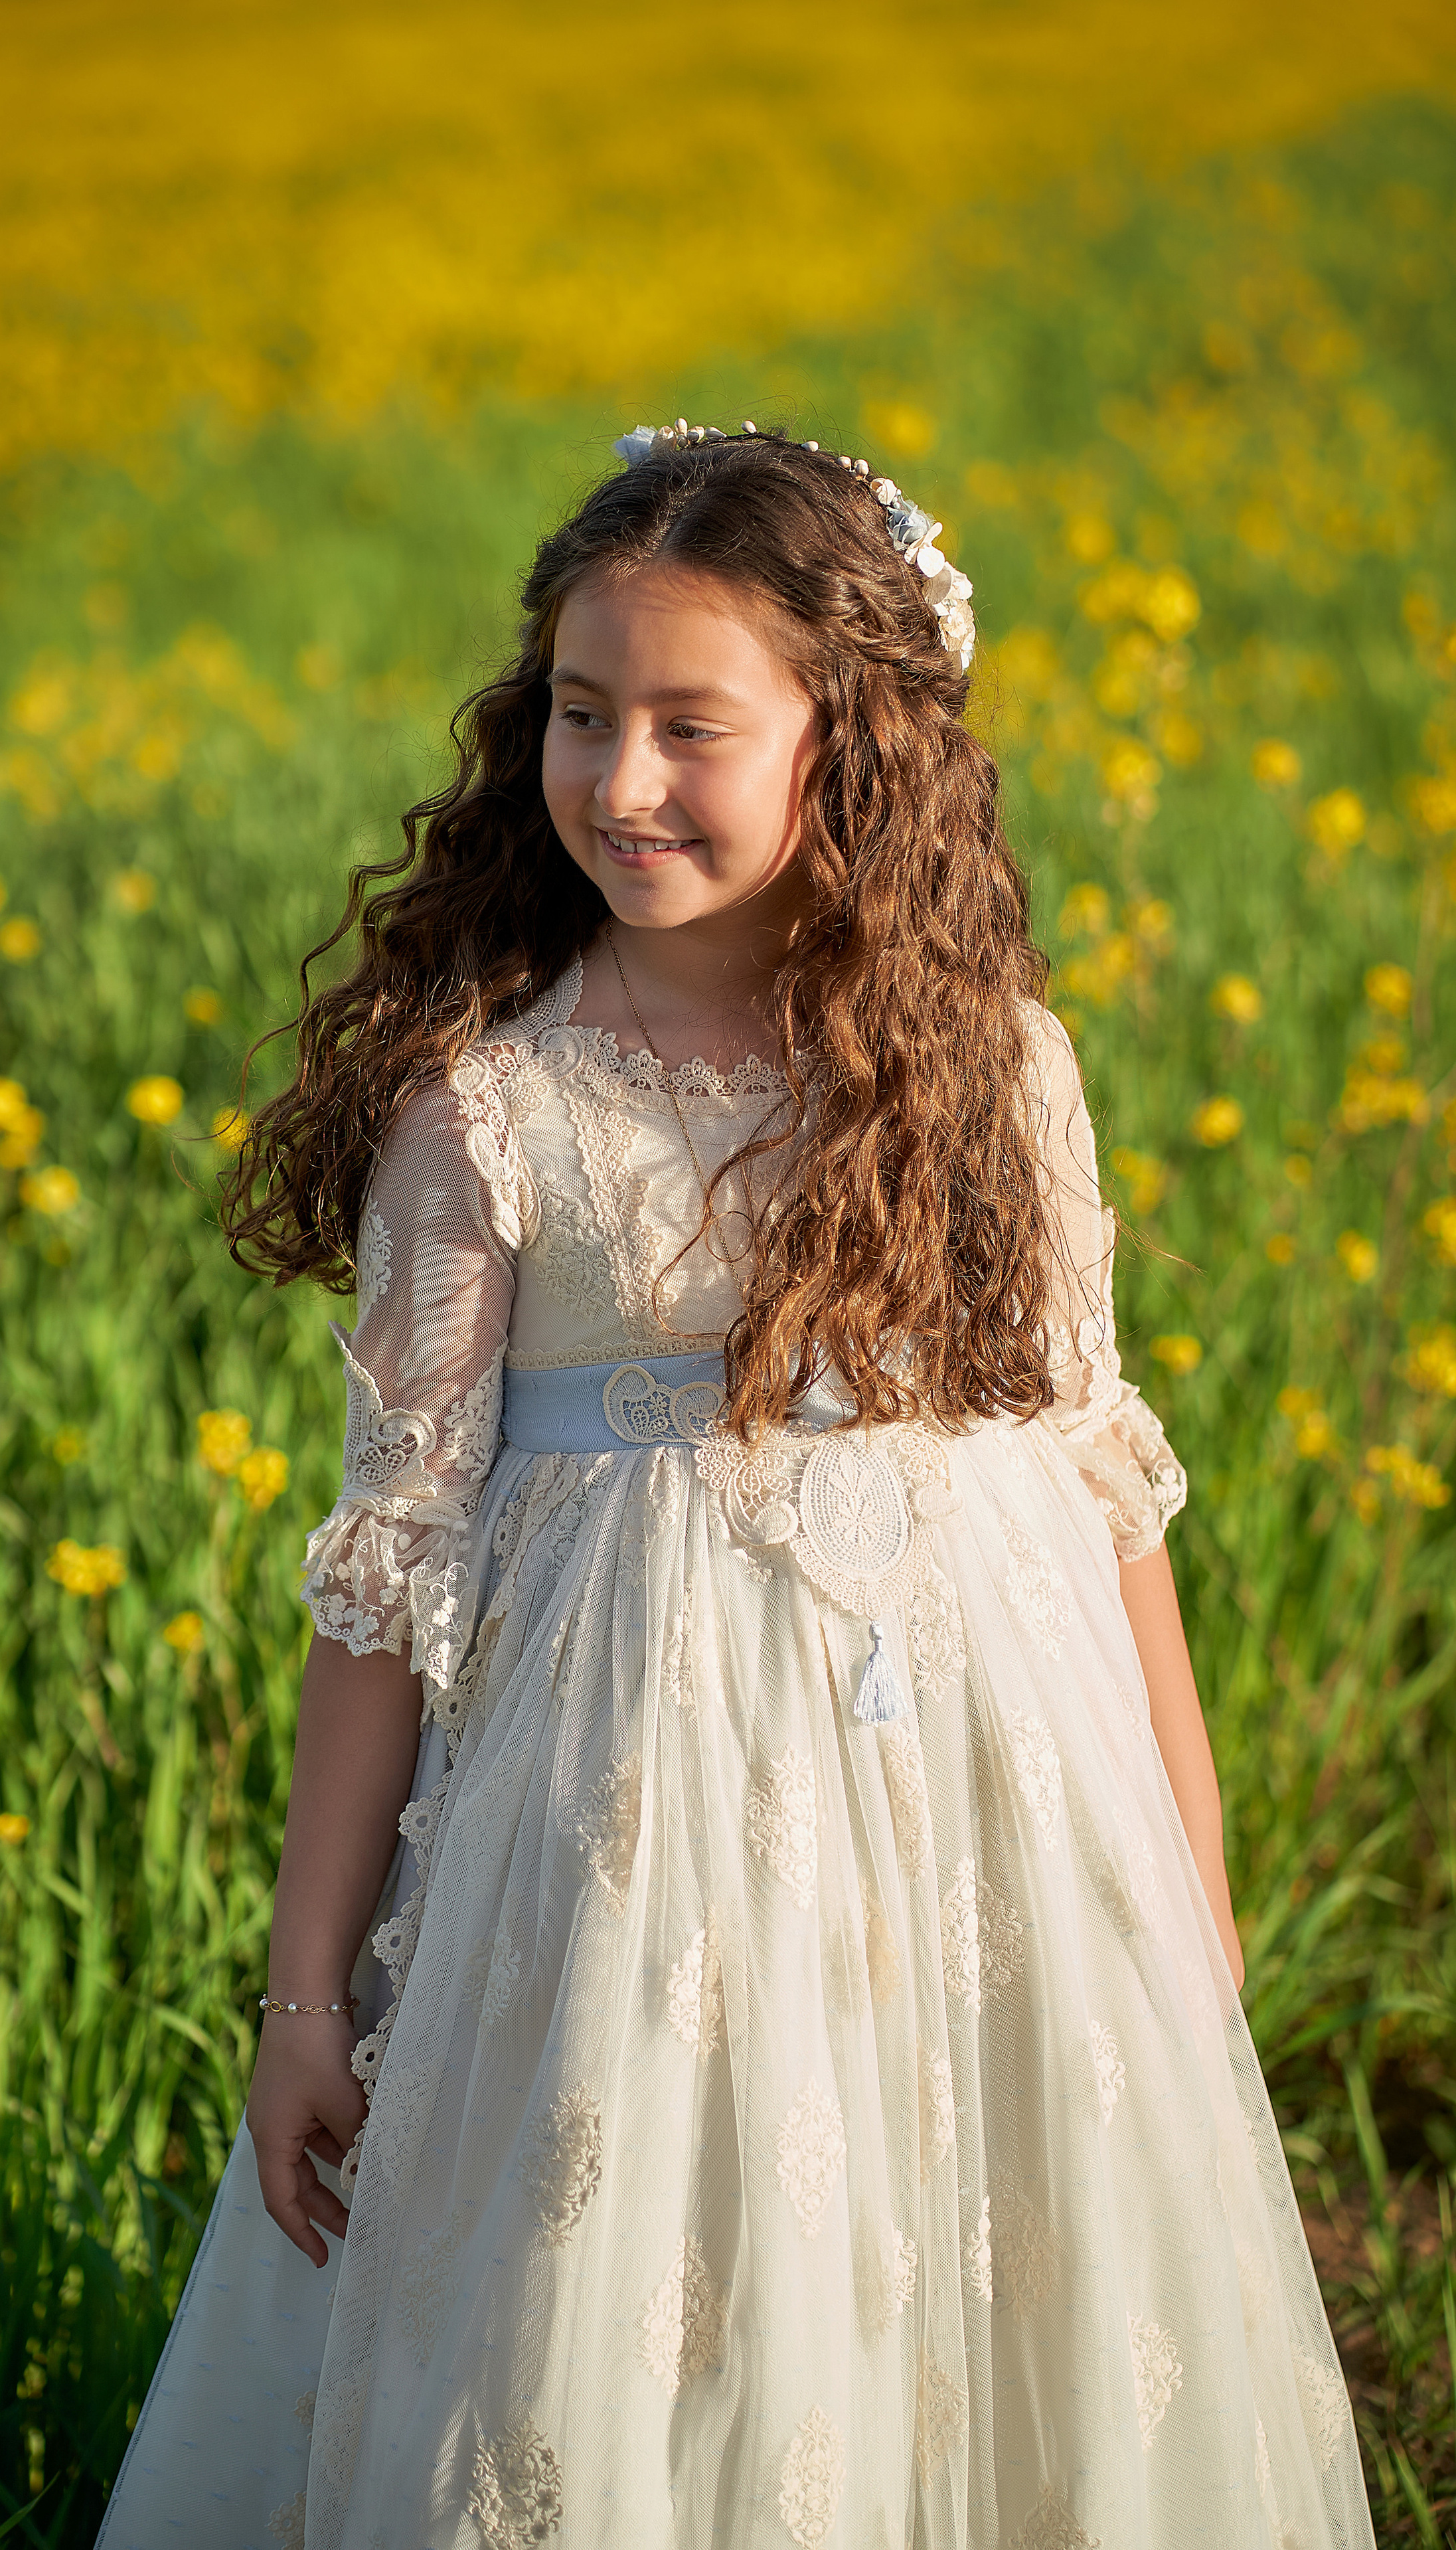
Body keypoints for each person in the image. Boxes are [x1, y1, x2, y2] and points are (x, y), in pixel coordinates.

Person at [98, 422, 1373, 2550]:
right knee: (638, 2312)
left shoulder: (1004, 1075)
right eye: (583, 716)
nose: (617, 783)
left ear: (849, 748)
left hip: (995, 1820)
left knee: (999, 2290)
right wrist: (310, 1996)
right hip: (629, 1850)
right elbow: (386, 1588)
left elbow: (1097, 1492)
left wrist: (1192, 1882)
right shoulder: (494, 1114)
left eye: (694, 727)